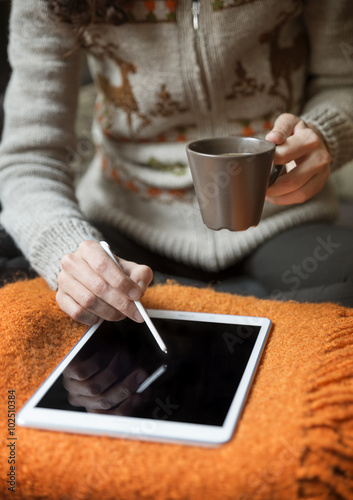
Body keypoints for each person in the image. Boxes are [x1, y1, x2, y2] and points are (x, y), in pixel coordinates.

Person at [0, 0, 352, 326]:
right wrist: (67, 250)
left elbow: (343, 83)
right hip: (125, 229)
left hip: (283, 222)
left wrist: (327, 132)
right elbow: (29, 159)